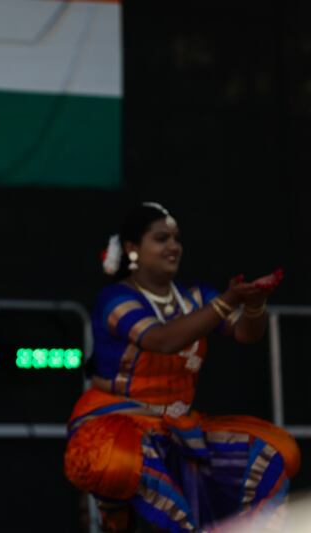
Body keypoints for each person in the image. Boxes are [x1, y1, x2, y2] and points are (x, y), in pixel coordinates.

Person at [63, 202, 300, 532]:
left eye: (176, 238)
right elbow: (162, 340)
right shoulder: (115, 299)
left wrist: (255, 304)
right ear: (133, 248)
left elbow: (247, 334)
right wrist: (228, 300)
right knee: (120, 463)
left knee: (277, 451)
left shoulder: (197, 296)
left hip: (178, 424)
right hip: (117, 423)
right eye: (161, 239)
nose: (173, 246)